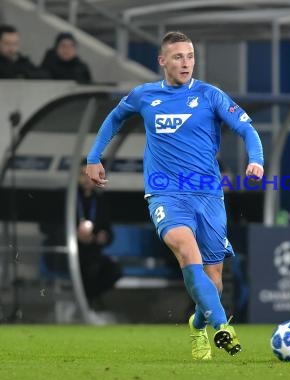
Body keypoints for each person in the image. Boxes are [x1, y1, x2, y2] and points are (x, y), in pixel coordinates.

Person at [85, 31, 263, 359]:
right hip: (166, 194)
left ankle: (197, 327)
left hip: (209, 196)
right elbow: (114, 119)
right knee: (186, 251)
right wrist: (94, 156)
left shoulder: (211, 95)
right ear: (162, 61)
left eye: (190, 56)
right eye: (178, 57)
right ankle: (224, 328)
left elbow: (246, 129)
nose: (186, 63)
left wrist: (256, 160)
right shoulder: (145, 95)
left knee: (213, 282)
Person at [41, 166, 122, 315]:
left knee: (113, 270)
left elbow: (109, 233)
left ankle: (85, 302)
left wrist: (103, 236)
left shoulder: (100, 200)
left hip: (92, 253)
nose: (86, 179)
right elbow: (46, 227)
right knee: (87, 266)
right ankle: (88, 304)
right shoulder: (64, 197)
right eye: (82, 174)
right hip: (65, 254)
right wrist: (73, 234)